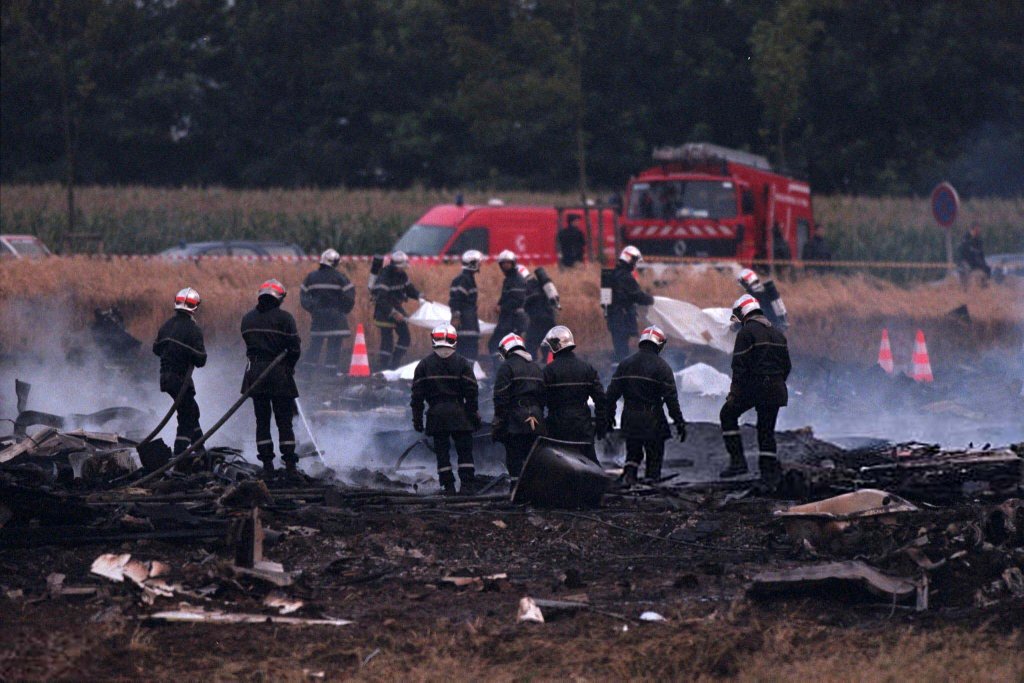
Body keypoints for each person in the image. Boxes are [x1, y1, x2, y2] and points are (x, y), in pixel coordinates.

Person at [719, 294, 791, 486]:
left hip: (755, 388)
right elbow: (787, 366)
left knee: (727, 415)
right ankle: (767, 471)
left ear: (743, 312)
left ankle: (738, 463)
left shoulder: (747, 333)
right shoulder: (777, 333)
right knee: (766, 430)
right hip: (776, 388)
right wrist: (776, 382)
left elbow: (739, 367)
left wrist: (735, 394)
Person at [605, 325, 686, 485]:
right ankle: (651, 482)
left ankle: (629, 478)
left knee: (632, 453)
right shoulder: (663, 367)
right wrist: (679, 422)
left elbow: (612, 394)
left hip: (630, 417)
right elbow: (671, 399)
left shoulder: (625, 364)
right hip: (653, 419)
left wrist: (607, 416)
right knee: (654, 454)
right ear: (659, 344)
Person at [241, 279, 302, 476]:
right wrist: (289, 368)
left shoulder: (248, 318)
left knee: (262, 420)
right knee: (284, 419)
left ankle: (267, 463)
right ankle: (290, 464)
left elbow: (249, 343)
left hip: (254, 373)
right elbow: (294, 348)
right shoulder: (285, 318)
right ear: (279, 298)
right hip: (278, 373)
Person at [411, 324, 481, 495]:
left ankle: (448, 486)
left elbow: (417, 397)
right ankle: (467, 485)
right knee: (464, 451)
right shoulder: (462, 362)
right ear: (454, 340)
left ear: (434, 339)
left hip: (436, 415)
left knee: (442, 453)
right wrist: (473, 415)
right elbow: (471, 392)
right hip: (460, 413)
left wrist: (418, 420)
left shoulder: (424, 364)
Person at [153, 288, 207, 456]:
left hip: (165, 379)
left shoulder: (166, 325)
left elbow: (156, 349)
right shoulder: (193, 329)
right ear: (195, 307)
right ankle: (180, 456)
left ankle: (200, 450)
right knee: (187, 416)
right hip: (180, 380)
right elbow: (201, 360)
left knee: (191, 410)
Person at [542, 325, 606, 462]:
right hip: (582, 424)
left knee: (559, 465)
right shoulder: (587, 368)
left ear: (555, 346)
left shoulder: (548, 371)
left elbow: (539, 400)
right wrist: (602, 422)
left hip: (557, 425)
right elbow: (601, 399)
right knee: (589, 464)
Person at [492, 332, 545, 488]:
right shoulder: (536, 367)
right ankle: (534, 489)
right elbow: (543, 396)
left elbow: (500, 397)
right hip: (536, 418)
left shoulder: (506, 367)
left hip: (515, 419)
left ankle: (516, 490)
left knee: (514, 456)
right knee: (533, 456)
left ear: (506, 349)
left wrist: (499, 422)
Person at [300, 248, 355, 375]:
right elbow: (350, 297)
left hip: (318, 317)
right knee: (334, 345)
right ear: (335, 263)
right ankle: (330, 373)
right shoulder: (341, 278)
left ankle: (308, 372)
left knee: (315, 345)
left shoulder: (311, 277)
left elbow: (303, 295)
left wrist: (312, 308)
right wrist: (343, 310)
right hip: (336, 317)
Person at [372, 250, 421, 370]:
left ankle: (395, 363)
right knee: (387, 341)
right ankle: (383, 368)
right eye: (400, 267)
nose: (402, 269)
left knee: (405, 338)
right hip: (384, 311)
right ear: (394, 266)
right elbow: (381, 299)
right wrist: (393, 313)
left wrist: (421, 297)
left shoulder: (402, 275)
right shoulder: (384, 277)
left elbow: (410, 290)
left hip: (397, 308)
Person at [606, 245, 654, 362]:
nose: (634, 265)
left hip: (613, 319)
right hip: (622, 319)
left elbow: (605, 301)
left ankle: (617, 371)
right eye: (634, 261)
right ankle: (623, 374)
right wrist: (652, 300)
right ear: (629, 259)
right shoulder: (625, 277)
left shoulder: (609, 275)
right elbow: (638, 296)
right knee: (623, 352)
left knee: (619, 349)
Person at [486, 250, 527, 368]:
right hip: (506, 320)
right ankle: (502, 369)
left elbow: (517, 300)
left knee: (495, 344)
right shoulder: (509, 279)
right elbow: (505, 297)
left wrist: (502, 308)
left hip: (513, 321)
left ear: (513, 263)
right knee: (497, 345)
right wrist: (498, 305)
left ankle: (502, 369)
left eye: (508, 263)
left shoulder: (517, 279)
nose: (505, 266)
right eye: (503, 263)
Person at [520, 265, 559, 361]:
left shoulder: (527, 287)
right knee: (547, 348)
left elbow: (524, 304)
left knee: (530, 346)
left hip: (537, 321)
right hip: (550, 320)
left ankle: (532, 370)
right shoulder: (539, 284)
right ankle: (549, 367)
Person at [449, 250, 482, 362]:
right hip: (467, 323)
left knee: (464, 353)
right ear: (474, 264)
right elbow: (457, 299)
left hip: (467, 321)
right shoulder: (465, 279)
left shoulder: (466, 278)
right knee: (469, 352)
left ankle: (462, 377)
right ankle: (465, 377)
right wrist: (456, 316)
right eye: (478, 263)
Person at [956, 223, 991, 288]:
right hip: (965, 260)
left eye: (978, 230)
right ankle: (965, 287)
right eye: (976, 230)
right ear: (972, 229)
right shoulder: (965, 238)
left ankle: (984, 285)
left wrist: (983, 263)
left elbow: (981, 253)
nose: (978, 231)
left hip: (974, 261)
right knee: (965, 270)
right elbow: (963, 251)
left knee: (986, 269)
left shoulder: (978, 239)